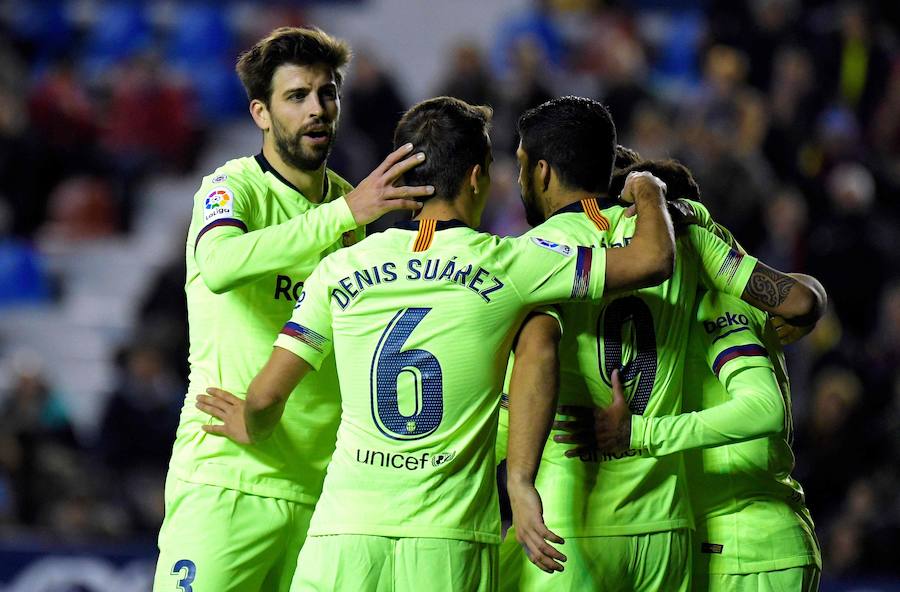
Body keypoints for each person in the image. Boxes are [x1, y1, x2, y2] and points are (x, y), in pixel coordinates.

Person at [198, 95, 676, 591]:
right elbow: (651, 261)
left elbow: (266, 396)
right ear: (475, 177)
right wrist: (647, 188)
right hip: (449, 540)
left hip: (345, 534)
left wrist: (254, 424)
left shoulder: (340, 267)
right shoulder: (510, 266)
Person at [497, 99, 825, 592]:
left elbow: (764, 407)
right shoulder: (693, 247)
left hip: (715, 545)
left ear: (542, 172)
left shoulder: (529, 257)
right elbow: (801, 300)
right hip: (673, 531)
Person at [153, 27, 434, 592]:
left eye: (327, 93)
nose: (317, 109)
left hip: (323, 493)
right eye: (296, 96)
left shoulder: (351, 207)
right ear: (261, 112)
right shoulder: (233, 188)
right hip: (228, 478)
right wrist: (344, 216)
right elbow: (223, 264)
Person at [564, 279, 823, 591]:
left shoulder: (715, 303)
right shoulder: (677, 308)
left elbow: (765, 408)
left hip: (747, 553)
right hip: (729, 547)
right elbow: (803, 288)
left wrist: (640, 433)